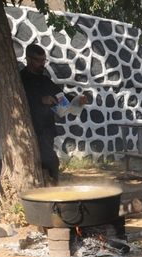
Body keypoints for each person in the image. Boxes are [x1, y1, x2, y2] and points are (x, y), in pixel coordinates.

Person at [20, 43, 90, 186]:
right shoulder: (20, 79)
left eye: (44, 61)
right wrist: (41, 100)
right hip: (30, 129)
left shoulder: (45, 80)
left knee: (47, 164)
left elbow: (61, 96)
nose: (42, 64)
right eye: (38, 61)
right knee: (51, 161)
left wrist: (78, 100)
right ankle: (50, 193)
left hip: (46, 129)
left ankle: (48, 193)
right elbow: (19, 101)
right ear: (28, 59)